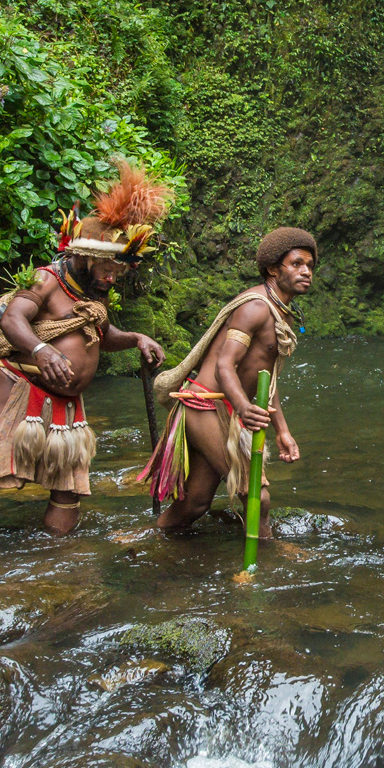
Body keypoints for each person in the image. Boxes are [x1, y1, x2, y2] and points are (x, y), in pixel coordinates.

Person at [0, 164, 170, 537]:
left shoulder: (91, 294)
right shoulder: (47, 280)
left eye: (118, 270)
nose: (112, 276)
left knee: (68, 490)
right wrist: (41, 350)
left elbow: (103, 336)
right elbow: (12, 320)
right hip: (21, 389)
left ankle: (57, 561)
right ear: (86, 256)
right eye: (107, 266)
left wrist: (136, 338)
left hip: (66, 403)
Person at [144, 228, 315, 537]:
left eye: (310, 265)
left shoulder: (282, 313)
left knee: (194, 504)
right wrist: (243, 406)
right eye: (297, 263)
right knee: (256, 497)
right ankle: (265, 562)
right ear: (273, 269)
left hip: (228, 409)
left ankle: (151, 542)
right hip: (205, 406)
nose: (306, 271)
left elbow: (268, 378)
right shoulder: (255, 307)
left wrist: (283, 431)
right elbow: (225, 364)